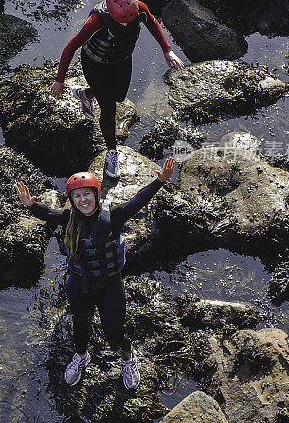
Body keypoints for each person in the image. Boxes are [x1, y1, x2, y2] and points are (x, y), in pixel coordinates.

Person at [16, 157, 175, 389]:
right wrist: (30, 205)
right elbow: (47, 213)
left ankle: (128, 358)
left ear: (96, 194)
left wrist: (159, 181)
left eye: (87, 194)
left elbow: (137, 201)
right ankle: (81, 357)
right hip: (79, 285)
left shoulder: (114, 216)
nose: (83, 200)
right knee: (80, 326)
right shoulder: (68, 218)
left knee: (114, 332)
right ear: (71, 200)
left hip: (110, 285)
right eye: (77, 196)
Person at [51, 0, 184, 179]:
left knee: (120, 96)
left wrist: (167, 50)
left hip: (121, 59)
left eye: (131, 19)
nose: (126, 24)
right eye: (123, 20)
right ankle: (112, 153)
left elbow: (153, 23)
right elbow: (71, 47)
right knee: (109, 108)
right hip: (95, 64)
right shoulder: (96, 21)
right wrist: (59, 80)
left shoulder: (139, 8)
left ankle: (86, 94)